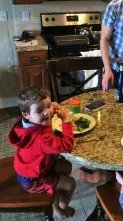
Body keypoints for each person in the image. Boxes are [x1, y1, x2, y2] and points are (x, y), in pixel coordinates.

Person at [8, 86, 76, 220]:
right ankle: (61, 207)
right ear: (26, 114)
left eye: (49, 105)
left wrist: (48, 110)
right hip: (32, 179)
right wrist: (66, 121)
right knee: (70, 183)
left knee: (66, 165)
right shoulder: (40, 139)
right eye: (40, 110)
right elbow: (67, 146)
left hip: (32, 166)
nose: (47, 112)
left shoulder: (27, 123)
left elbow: (42, 123)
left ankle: (55, 194)